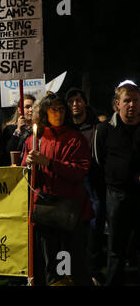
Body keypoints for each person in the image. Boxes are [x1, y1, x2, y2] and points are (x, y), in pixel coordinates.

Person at [21, 93, 94, 286]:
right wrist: (27, 165)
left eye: (62, 109)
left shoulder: (75, 139)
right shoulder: (33, 140)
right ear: (44, 112)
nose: (59, 113)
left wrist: (49, 162)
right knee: (49, 265)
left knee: (73, 264)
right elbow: (24, 177)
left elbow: (79, 171)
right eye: (54, 109)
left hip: (71, 212)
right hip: (45, 212)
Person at [94, 81, 140, 286]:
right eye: (127, 100)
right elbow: (98, 159)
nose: (132, 105)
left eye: (136, 100)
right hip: (116, 195)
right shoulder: (105, 129)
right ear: (117, 104)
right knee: (116, 249)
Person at [65, 87, 107, 284]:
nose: (75, 104)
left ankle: (92, 272)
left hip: (93, 183)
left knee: (94, 229)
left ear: (85, 103)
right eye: (71, 101)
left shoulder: (97, 127)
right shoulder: (65, 128)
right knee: (73, 231)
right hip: (71, 184)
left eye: (78, 100)